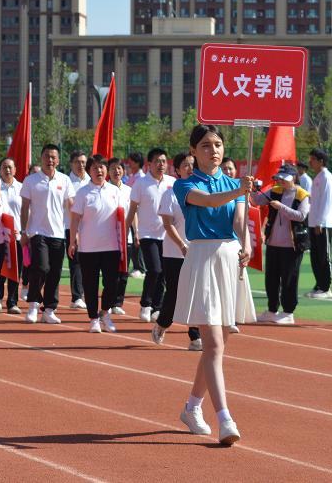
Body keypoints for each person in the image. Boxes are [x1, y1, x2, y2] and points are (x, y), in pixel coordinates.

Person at [172, 124, 253, 446]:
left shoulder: (234, 184)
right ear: (193, 151)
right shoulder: (184, 184)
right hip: (202, 258)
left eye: (217, 144)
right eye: (206, 145)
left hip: (229, 260)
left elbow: (239, 221)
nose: (213, 150)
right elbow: (207, 202)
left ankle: (192, 406)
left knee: (216, 347)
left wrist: (247, 244)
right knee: (214, 345)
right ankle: (225, 419)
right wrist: (239, 190)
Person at [151, 151, 202, 350]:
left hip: (198, 251)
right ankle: (163, 323)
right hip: (174, 253)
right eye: (186, 165)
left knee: (197, 294)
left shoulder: (201, 192)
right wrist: (181, 244)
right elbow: (168, 224)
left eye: (193, 165)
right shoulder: (170, 193)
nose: (190, 168)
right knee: (174, 294)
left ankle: (195, 335)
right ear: (178, 170)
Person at [20, 144, 75, 325]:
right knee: (41, 267)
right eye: (46, 156)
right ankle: (34, 304)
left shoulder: (64, 180)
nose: (50, 160)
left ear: (58, 160)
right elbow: (25, 208)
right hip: (37, 232)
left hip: (58, 233)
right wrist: (24, 231)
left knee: (55, 273)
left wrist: (77, 230)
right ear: (41, 158)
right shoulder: (31, 180)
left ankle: (49, 309)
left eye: (53, 157)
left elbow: (71, 206)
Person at [67, 154, 120, 334]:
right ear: (89, 171)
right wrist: (72, 241)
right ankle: (93, 319)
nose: (99, 170)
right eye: (95, 167)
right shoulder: (83, 192)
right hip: (88, 247)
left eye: (102, 167)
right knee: (90, 284)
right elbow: (75, 218)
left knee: (112, 283)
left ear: (107, 170)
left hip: (111, 246)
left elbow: (121, 218)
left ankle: (105, 313)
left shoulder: (114, 191)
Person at [252, 164, 310, 325]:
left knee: (289, 279)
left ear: (294, 178)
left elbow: (301, 216)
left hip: (292, 245)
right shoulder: (275, 191)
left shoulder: (302, 195)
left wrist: (281, 207)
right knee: (271, 278)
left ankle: (288, 312)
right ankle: (272, 310)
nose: (281, 181)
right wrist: (254, 189)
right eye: (279, 178)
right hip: (273, 243)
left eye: (284, 179)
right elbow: (256, 200)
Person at [127, 148, 175, 322]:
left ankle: (157, 307)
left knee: (163, 273)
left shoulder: (172, 182)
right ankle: (146, 304)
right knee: (155, 270)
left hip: (167, 235)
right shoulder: (141, 183)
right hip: (147, 234)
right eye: (157, 161)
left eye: (163, 161)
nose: (161, 164)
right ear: (149, 164)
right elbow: (132, 210)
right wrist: (127, 231)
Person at [220, 156, 255, 334]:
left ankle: (230, 317)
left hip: (234, 244)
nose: (228, 171)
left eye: (230, 168)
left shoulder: (240, 190)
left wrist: (247, 244)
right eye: (224, 168)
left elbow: (240, 220)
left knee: (233, 283)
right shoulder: (217, 188)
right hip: (214, 244)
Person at [0, 157, 23, 315]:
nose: (7, 170)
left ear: (15, 170)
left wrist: (22, 230)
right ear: (0, 170)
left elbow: (27, 212)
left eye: (10, 167)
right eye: (4, 167)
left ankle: (12, 302)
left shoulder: (22, 188)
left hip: (16, 236)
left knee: (15, 271)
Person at [305, 148, 332, 299]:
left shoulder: (326, 177)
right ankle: (319, 285)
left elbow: (326, 202)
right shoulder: (318, 177)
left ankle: (326, 288)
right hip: (314, 223)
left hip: (323, 224)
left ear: (321, 161)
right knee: (316, 257)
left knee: (324, 255)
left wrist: (320, 222)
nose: (310, 162)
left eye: (312, 159)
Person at [106, 157, 133, 315]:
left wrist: (136, 233)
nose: (116, 171)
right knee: (111, 272)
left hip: (126, 237)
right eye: (113, 168)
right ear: (108, 171)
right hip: (109, 238)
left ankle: (117, 302)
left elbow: (133, 213)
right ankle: (108, 302)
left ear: (123, 171)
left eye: (119, 168)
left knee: (124, 272)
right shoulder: (105, 189)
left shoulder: (129, 190)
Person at [64, 150, 89, 309]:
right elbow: (71, 207)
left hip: (91, 228)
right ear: (71, 164)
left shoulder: (91, 180)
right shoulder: (67, 182)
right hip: (70, 227)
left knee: (89, 262)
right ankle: (77, 296)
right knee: (76, 261)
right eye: (77, 162)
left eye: (83, 162)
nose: (81, 165)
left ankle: (86, 293)